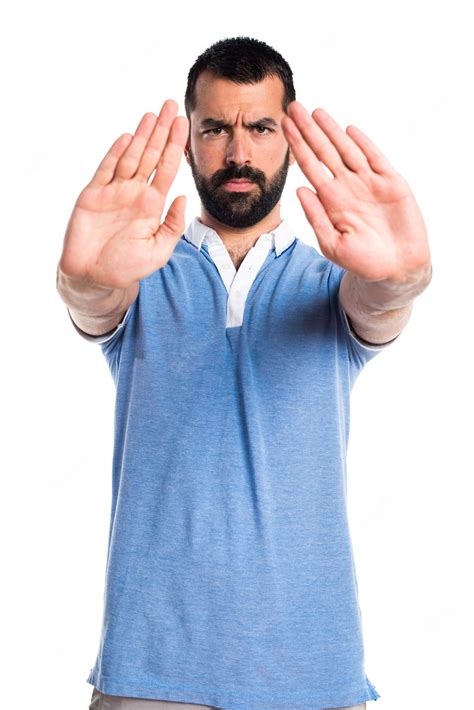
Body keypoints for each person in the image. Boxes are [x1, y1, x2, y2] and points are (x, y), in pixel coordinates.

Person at [56, 37, 432, 710]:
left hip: (311, 674)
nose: (238, 153)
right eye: (215, 129)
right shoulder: (138, 273)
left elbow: (378, 305)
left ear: (288, 135)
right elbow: (95, 303)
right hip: (150, 671)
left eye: (260, 128)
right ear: (188, 137)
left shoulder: (334, 283)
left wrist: (401, 282)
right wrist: (81, 284)